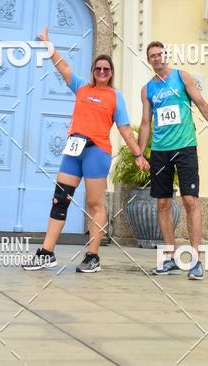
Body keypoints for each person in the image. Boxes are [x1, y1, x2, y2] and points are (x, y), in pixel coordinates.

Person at [23, 25, 147, 273]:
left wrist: (138, 154)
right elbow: (62, 66)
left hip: (96, 153)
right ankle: (47, 252)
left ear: (111, 73)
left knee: (94, 203)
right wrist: (48, 43)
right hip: (73, 151)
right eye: (98, 68)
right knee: (60, 199)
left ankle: (93, 256)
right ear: (93, 71)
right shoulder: (81, 87)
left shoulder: (115, 96)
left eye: (106, 69)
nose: (102, 72)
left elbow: (123, 128)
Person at [137, 41, 208, 281]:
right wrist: (140, 152)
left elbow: (201, 103)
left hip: (185, 147)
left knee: (190, 201)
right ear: (149, 61)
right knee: (163, 204)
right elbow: (146, 122)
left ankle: (196, 260)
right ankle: (170, 257)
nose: (157, 58)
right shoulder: (147, 89)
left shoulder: (182, 77)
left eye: (159, 54)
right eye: (152, 56)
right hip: (160, 151)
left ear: (165, 56)